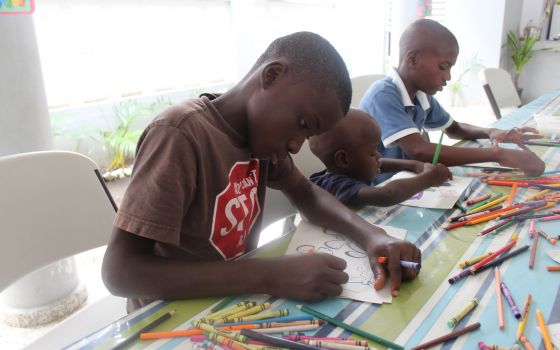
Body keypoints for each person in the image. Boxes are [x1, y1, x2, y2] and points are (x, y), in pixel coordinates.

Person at [102, 32, 420, 313]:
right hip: (169, 318)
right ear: (271, 76)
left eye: (308, 136)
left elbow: (308, 196)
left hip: (232, 303)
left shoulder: (261, 142)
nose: (297, 146)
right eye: (303, 125)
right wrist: (268, 274)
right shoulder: (181, 136)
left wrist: (373, 236)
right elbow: (120, 272)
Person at [359, 19, 545, 184]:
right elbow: (419, 150)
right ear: (413, 59)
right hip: (378, 188)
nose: (448, 77)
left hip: (408, 182)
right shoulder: (383, 95)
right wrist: (497, 154)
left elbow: (454, 129)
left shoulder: (422, 97)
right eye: (443, 67)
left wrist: (491, 132)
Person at [309, 108, 452, 207]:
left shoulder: (350, 169)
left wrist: (415, 165)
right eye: (372, 153)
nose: (379, 156)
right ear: (343, 160)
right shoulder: (335, 185)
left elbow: (380, 163)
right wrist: (429, 178)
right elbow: (387, 195)